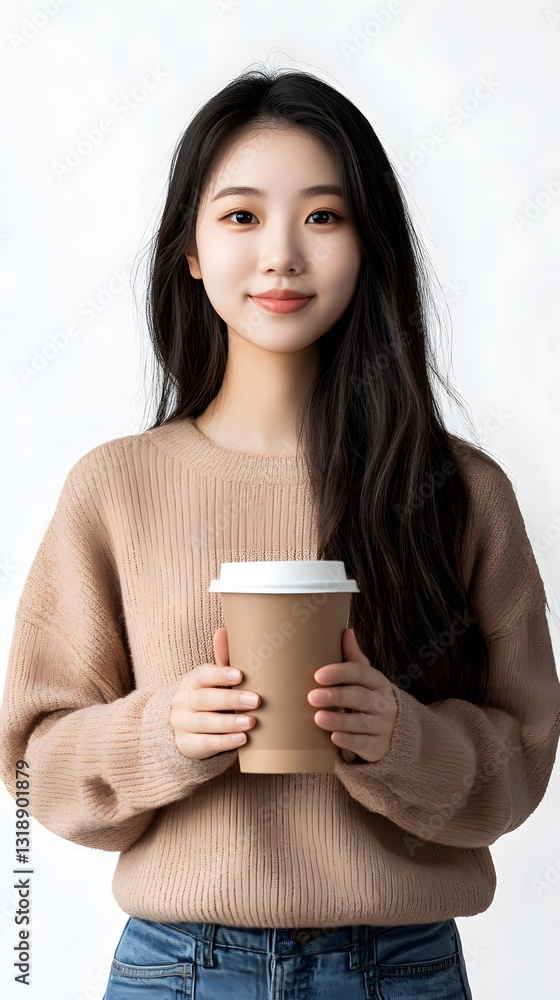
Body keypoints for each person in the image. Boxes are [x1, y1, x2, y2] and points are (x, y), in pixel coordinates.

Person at [1, 66, 559, 1000]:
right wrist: (161, 731)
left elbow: (525, 755)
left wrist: (404, 739)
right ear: (189, 250)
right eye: (241, 216)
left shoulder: (458, 490)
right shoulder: (116, 488)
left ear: (369, 245)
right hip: (177, 970)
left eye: (324, 217)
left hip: (403, 969)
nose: (281, 257)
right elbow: (29, 764)